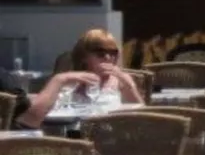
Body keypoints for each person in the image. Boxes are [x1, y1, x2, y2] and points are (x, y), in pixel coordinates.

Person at [15, 29, 143, 128]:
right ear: (84, 56)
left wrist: (128, 83)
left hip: (111, 140)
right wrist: (59, 80)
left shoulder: (121, 81)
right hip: (70, 138)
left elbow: (144, 120)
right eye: (101, 53)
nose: (108, 58)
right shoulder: (68, 81)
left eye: (113, 53)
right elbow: (29, 121)